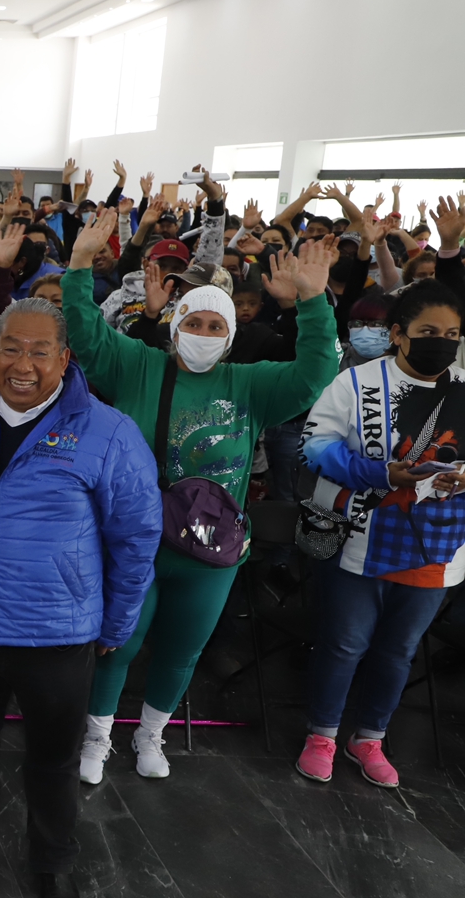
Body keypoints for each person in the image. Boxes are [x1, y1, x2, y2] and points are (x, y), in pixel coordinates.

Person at [61, 209, 340, 785]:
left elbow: (315, 372)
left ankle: (151, 736)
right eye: (195, 323)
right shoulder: (138, 365)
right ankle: (96, 737)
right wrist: (81, 266)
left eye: (217, 327)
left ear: (231, 335)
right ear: (175, 325)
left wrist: (312, 302)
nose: (205, 335)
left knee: (182, 649)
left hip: (209, 549)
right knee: (120, 642)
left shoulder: (251, 384)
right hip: (132, 539)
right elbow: (85, 332)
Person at [0, 294, 162, 898]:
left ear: (65, 359)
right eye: (10, 347)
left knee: (53, 760)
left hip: (56, 631)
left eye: (39, 351)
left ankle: (54, 863)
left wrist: (116, 624)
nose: (22, 364)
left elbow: (136, 535)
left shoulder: (107, 431)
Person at [297, 279, 465, 788]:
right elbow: (314, 444)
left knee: (399, 650)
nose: (443, 341)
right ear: (399, 334)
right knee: (346, 643)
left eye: (454, 333)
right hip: (363, 535)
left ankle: (369, 737)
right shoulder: (357, 382)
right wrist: (380, 473)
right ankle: (321, 735)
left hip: (438, 544)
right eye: (429, 331)